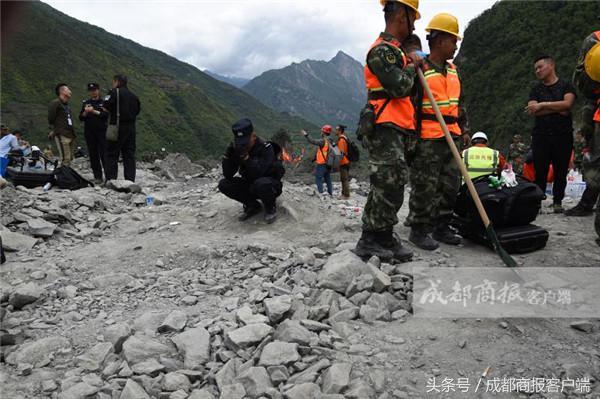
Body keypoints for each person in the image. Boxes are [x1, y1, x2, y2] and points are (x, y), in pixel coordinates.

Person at [353, 0, 421, 263]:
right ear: (401, 15)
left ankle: (383, 234)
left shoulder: (396, 52)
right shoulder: (382, 51)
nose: (414, 23)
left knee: (392, 181)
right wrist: (412, 66)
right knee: (387, 182)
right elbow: (400, 87)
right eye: (412, 16)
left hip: (397, 125)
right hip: (384, 125)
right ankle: (370, 238)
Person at [407, 13, 465, 250]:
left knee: (451, 183)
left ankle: (441, 226)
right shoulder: (420, 69)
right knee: (425, 185)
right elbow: (409, 105)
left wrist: (465, 130)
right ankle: (418, 229)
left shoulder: (453, 70)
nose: (456, 45)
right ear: (440, 41)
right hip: (428, 137)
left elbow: (461, 103)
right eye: (453, 40)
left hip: (453, 133)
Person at [525, 55, 577, 213]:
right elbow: (533, 111)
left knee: (561, 169)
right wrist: (558, 108)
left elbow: (568, 104)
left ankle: (557, 202)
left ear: (551, 65)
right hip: (541, 136)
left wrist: (543, 105)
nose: (537, 71)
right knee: (540, 170)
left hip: (563, 135)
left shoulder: (566, 85)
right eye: (535, 69)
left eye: (540, 67)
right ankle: (538, 202)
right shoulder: (536, 89)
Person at [218, 118, 284, 224]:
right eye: (240, 142)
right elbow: (228, 175)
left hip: (270, 186)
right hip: (251, 184)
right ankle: (252, 205)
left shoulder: (266, 148)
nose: (243, 145)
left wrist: (246, 159)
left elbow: (259, 173)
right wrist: (227, 157)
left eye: (245, 142)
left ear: (253, 136)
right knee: (224, 184)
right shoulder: (238, 149)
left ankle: (270, 207)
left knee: (261, 183)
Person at [571, 30, 600, 238]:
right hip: (595, 110)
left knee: (596, 162)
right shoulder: (594, 40)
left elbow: (583, 83)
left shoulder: (594, 39)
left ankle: (587, 203)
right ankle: (587, 202)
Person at [104, 74, 140, 182]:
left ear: (116, 82)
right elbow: (137, 111)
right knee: (129, 155)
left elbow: (106, 105)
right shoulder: (134, 96)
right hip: (131, 128)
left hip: (117, 127)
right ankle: (130, 180)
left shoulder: (114, 92)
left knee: (112, 153)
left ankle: (111, 179)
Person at [79, 82, 108, 183]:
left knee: (104, 154)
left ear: (98, 90)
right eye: (91, 91)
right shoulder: (86, 102)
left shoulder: (104, 102)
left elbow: (106, 115)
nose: (93, 92)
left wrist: (93, 111)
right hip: (89, 132)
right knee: (93, 154)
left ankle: (108, 176)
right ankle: (98, 177)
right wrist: (86, 112)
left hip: (101, 132)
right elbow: (81, 118)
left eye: (94, 90)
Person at [48, 83, 76, 166]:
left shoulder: (66, 105)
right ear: (62, 91)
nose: (70, 92)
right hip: (62, 134)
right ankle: (63, 177)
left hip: (70, 133)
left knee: (70, 158)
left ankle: (68, 175)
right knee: (65, 158)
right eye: (68, 90)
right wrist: (54, 130)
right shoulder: (55, 103)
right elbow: (51, 118)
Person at [302, 125, 334, 196]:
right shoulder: (331, 140)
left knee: (318, 178)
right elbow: (325, 151)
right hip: (329, 163)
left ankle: (321, 193)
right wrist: (315, 158)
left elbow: (313, 141)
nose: (321, 132)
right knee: (327, 178)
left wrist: (306, 135)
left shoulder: (323, 141)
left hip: (322, 163)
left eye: (322, 131)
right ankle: (330, 193)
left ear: (324, 132)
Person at [336, 125, 352, 199]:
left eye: (336, 129)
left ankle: (346, 195)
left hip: (343, 161)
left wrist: (336, 162)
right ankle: (344, 194)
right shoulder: (344, 138)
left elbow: (341, 153)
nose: (335, 131)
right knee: (344, 178)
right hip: (346, 160)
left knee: (344, 179)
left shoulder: (341, 140)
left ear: (339, 131)